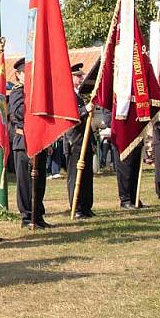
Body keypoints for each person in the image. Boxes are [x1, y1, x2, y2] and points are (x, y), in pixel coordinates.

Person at [8, 57, 51, 229]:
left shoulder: (38, 91)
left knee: (39, 180)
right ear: (18, 75)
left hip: (39, 140)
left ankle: (38, 215)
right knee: (25, 181)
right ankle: (27, 216)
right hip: (23, 140)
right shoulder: (18, 92)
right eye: (26, 72)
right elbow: (18, 112)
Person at [64, 62, 96, 219]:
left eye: (80, 75)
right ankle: (76, 207)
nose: (80, 78)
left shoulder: (78, 95)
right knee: (75, 176)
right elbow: (70, 116)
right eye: (77, 76)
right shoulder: (66, 94)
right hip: (74, 140)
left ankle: (86, 206)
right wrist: (85, 110)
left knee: (86, 176)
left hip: (85, 139)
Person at [114, 143, 144, 209]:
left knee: (135, 169)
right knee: (126, 168)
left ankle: (134, 199)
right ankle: (125, 200)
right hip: (124, 138)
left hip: (136, 137)